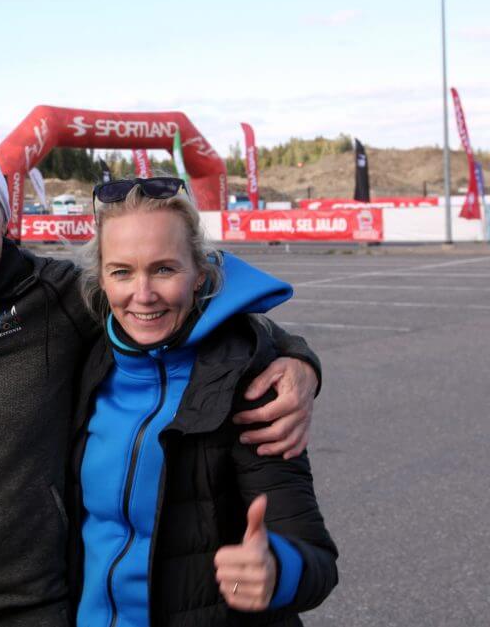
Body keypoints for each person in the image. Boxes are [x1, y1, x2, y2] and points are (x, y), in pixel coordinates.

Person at [0, 122, 323, 626]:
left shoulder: (59, 296)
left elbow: (192, 309)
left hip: (35, 608)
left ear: (3, 214)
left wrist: (297, 359)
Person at [69, 178, 337, 626]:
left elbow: (316, 558)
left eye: (164, 269)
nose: (143, 294)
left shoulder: (250, 384)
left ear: (200, 275)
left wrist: (277, 569)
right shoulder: (82, 360)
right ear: (101, 279)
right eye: (121, 272)